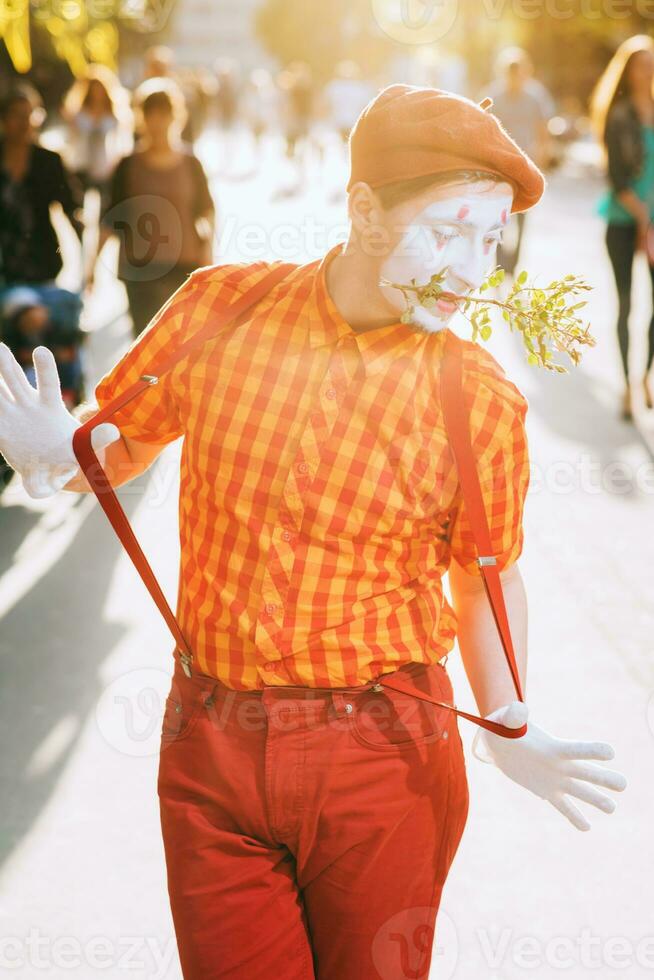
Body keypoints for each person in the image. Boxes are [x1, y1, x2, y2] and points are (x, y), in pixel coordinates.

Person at [0, 85, 627, 978]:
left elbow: (487, 573)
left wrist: (506, 721)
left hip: (386, 762)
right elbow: (115, 440)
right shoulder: (224, 309)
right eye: (447, 231)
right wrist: (52, 454)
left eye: (487, 242)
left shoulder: (477, 398)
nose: (466, 271)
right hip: (210, 752)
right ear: (362, 208)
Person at [86, 77, 214, 339]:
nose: (157, 122)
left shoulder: (191, 164)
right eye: (151, 114)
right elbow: (110, 220)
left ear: (176, 117)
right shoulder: (128, 165)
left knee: (178, 345)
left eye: (163, 114)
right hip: (139, 270)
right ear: (141, 118)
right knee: (146, 345)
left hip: (184, 266)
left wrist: (209, 259)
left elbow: (207, 211)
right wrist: (91, 269)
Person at [590, 34, 654, 421]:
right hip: (623, 220)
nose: (648, 70)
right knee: (626, 303)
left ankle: (646, 375)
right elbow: (617, 177)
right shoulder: (619, 116)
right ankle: (627, 386)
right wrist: (642, 215)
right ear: (628, 71)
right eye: (641, 64)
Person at [478, 46, 554, 277]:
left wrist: (542, 158)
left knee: (523, 215)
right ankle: (500, 260)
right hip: (499, 166)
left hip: (526, 163)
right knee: (499, 215)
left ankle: (515, 262)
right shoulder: (494, 95)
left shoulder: (535, 96)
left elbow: (543, 130)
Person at [0, 84, 84, 289]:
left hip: (40, 261)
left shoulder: (48, 161)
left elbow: (71, 206)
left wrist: (86, 262)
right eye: (17, 115)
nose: (24, 122)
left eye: (30, 115)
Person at [61, 63, 133, 205]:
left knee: (106, 205)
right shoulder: (78, 113)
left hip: (106, 167)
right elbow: (71, 139)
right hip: (81, 165)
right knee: (78, 204)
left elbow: (122, 141)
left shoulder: (114, 115)